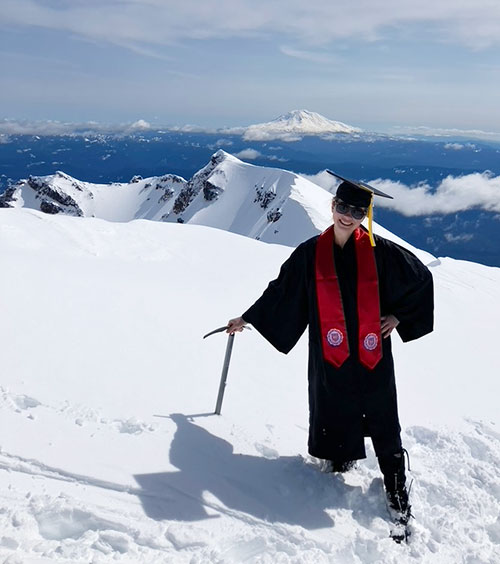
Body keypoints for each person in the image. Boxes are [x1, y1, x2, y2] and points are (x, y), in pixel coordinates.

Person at [227, 172, 434, 541]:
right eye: (342, 206)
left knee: (384, 417)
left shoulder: (380, 251)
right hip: (330, 354)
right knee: (334, 408)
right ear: (332, 206)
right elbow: (282, 293)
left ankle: (396, 486)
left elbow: (420, 279)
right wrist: (248, 317)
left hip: (373, 354)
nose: (348, 215)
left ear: (364, 214)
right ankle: (340, 458)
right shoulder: (309, 253)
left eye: (357, 210)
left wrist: (398, 316)